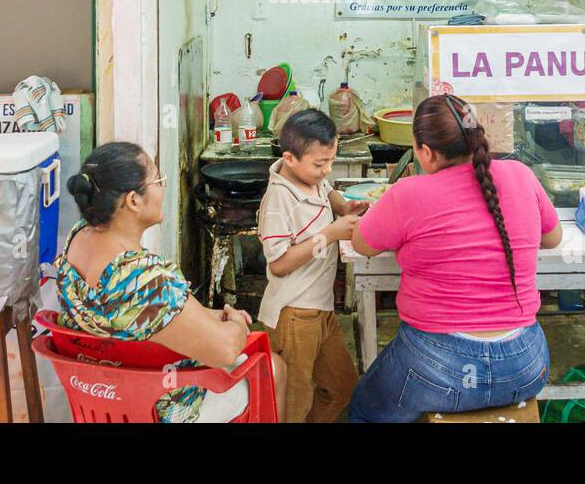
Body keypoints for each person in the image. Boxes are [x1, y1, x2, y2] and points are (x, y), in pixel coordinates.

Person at [347, 95, 563, 423]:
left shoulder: (407, 194)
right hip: (525, 364)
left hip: (439, 367)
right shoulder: (520, 174)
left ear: (426, 152)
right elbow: (553, 237)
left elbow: (362, 244)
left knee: (365, 409)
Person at [55, 141, 286, 422]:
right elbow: (225, 351)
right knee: (273, 368)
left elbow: (159, 314)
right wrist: (236, 321)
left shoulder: (77, 240)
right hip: (157, 407)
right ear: (133, 200)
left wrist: (211, 316)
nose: (162, 189)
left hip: (105, 397)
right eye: (158, 181)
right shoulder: (144, 281)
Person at [257, 109, 363, 422]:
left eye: (331, 161)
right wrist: (329, 235)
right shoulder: (278, 200)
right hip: (294, 314)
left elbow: (327, 188)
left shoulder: (312, 179)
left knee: (342, 386)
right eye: (320, 164)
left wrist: (343, 204)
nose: (326, 170)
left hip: (321, 310)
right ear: (289, 158)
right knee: (294, 400)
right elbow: (278, 264)